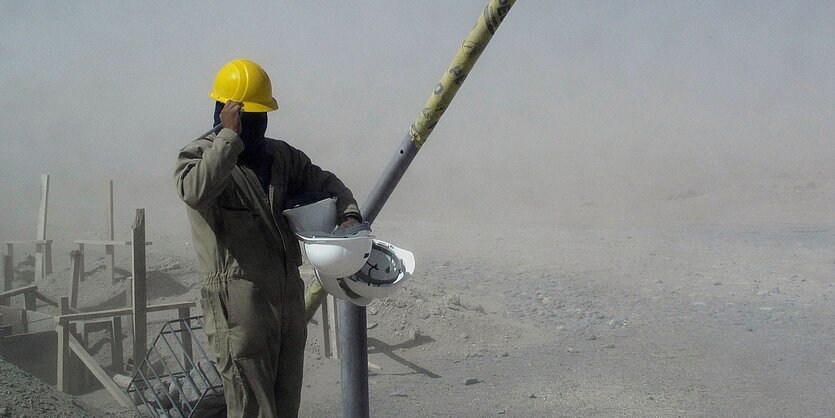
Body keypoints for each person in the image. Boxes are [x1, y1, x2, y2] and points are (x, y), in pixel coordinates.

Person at [174, 58, 362, 417]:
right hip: (240, 310)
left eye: (261, 115)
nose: (257, 125)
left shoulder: (281, 157)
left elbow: (327, 183)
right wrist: (228, 139)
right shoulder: (198, 156)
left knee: (284, 406)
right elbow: (195, 192)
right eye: (248, 115)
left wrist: (349, 213)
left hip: (286, 305)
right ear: (226, 113)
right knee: (251, 409)